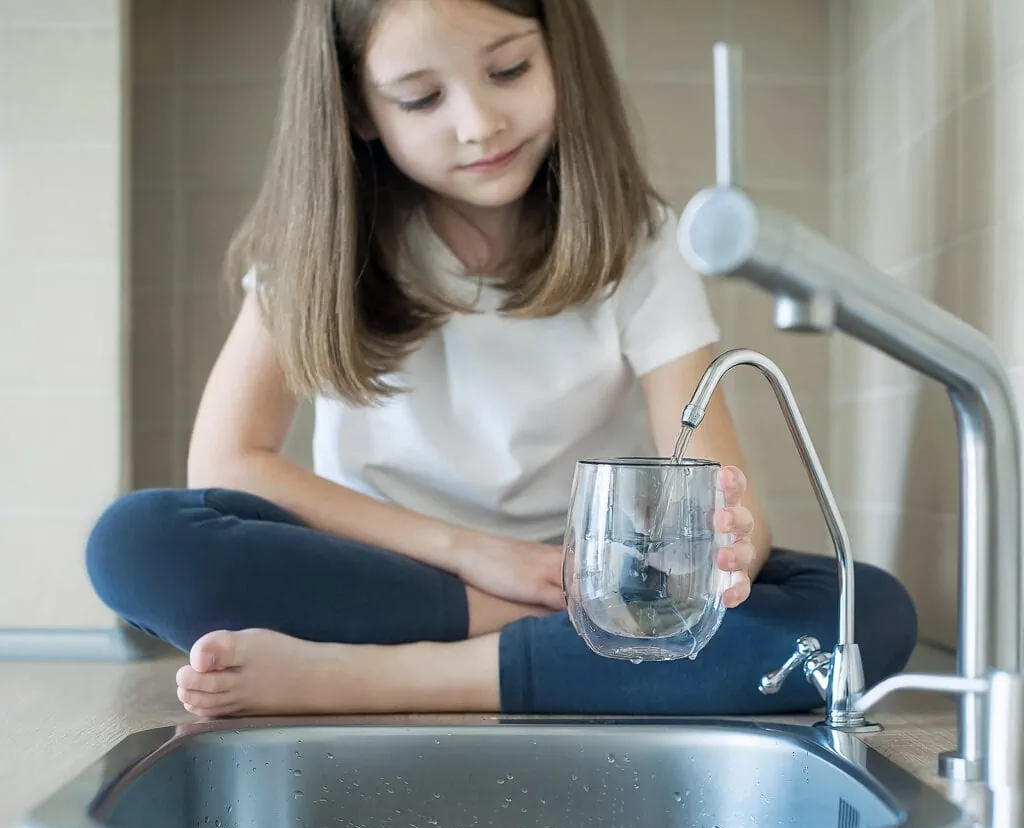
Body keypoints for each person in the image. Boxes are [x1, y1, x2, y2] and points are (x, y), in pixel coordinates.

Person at [85, 0, 917, 719]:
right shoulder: (317, 249)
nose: (479, 123)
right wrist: (477, 557)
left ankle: (363, 678)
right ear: (361, 110)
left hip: (591, 588)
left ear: (558, 52)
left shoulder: (640, 240)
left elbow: (722, 491)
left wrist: (727, 549)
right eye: (421, 97)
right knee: (134, 542)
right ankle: (530, 654)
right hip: (393, 579)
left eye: (510, 70)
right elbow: (228, 462)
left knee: (862, 611)